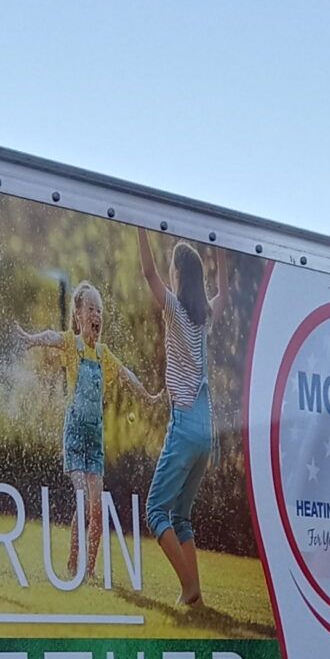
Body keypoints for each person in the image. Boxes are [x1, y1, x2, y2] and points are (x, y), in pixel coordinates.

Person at [133, 233, 222, 610]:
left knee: (155, 510)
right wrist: (221, 248)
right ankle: (196, 597)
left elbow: (148, 272)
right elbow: (225, 291)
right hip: (207, 436)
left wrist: (139, 225)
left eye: (172, 268)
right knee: (181, 517)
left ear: (178, 275)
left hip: (184, 428)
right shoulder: (204, 320)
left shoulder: (175, 311)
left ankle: (188, 586)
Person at [21, 281, 108, 583]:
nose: (96, 314)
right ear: (78, 315)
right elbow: (51, 336)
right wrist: (32, 340)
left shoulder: (103, 355)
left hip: (95, 445)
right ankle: (73, 563)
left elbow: (125, 374)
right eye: (91, 309)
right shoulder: (72, 344)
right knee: (82, 502)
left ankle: (90, 570)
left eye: (100, 310)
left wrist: (147, 395)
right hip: (75, 439)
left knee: (97, 509)